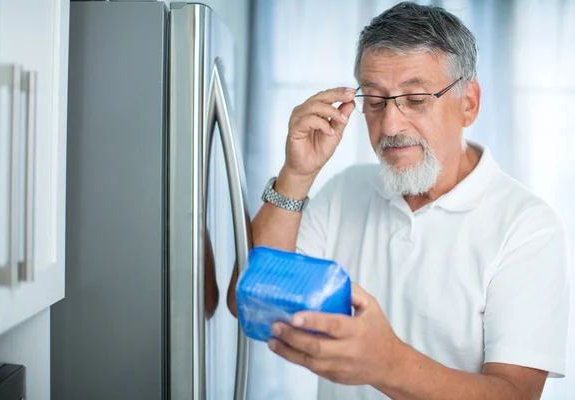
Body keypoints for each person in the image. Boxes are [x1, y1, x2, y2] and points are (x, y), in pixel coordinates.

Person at [227, 2, 570, 399]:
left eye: (416, 99)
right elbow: (249, 299)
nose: (390, 125)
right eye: (375, 101)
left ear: (469, 103)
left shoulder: (528, 227)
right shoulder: (344, 191)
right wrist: (297, 174)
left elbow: (516, 394)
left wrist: (386, 363)